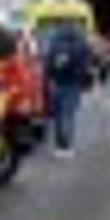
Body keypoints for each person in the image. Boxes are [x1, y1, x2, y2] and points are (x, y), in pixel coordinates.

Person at [44, 23, 94, 158]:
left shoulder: (54, 45)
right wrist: (86, 83)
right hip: (73, 83)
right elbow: (87, 65)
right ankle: (66, 146)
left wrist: (49, 79)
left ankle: (59, 145)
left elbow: (47, 64)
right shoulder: (81, 45)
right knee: (68, 114)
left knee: (58, 115)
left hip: (56, 83)